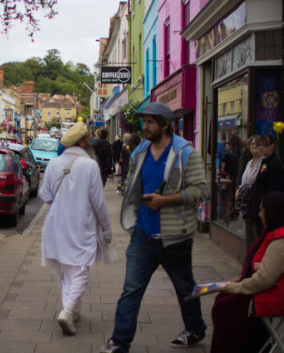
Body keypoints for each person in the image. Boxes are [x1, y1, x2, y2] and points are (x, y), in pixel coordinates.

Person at [100, 102, 208, 353]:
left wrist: (166, 201)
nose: (144, 126)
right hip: (143, 235)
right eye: (143, 121)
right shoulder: (140, 152)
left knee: (185, 289)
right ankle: (119, 341)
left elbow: (201, 190)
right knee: (131, 290)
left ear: (165, 124)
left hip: (174, 237)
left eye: (150, 122)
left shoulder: (186, 153)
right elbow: (133, 183)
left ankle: (195, 328)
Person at [211, 191, 284, 353]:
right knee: (224, 300)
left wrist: (235, 287)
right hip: (271, 291)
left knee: (225, 308)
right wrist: (237, 281)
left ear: (273, 213)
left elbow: (264, 279)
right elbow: (259, 270)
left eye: (262, 210)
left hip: (278, 298)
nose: (259, 214)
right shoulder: (275, 232)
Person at [39, 122, 112, 336]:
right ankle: (68, 311)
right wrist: (107, 231)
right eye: (88, 138)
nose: (91, 141)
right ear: (82, 142)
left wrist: (60, 200)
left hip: (56, 224)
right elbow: (98, 203)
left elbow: (45, 195)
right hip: (81, 225)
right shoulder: (89, 165)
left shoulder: (53, 164)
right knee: (79, 270)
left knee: (65, 271)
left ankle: (72, 310)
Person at [246, 134, 284, 249]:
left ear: (272, 146)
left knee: (262, 243)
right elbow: (260, 180)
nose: (261, 148)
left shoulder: (275, 164)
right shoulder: (265, 162)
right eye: (260, 145)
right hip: (256, 209)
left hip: (265, 211)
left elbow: (274, 189)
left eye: (265, 145)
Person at [235, 135, 263, 246]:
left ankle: (256, 261)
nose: (254, 146)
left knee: (257, 236)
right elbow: (244, 181)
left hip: (256, 205)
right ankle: (250, 260)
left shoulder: (263, 162)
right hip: (246, 205)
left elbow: (259, 182)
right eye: (252, 144)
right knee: (249, 236)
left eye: (257, 144)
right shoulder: (249, 162)